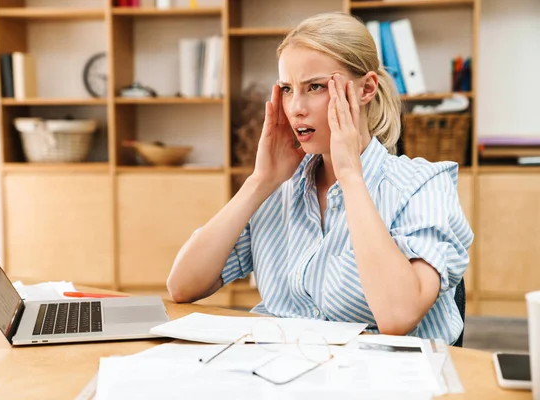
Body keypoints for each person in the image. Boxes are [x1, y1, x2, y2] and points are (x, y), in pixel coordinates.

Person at [167, 12, 473, 344]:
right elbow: (183, 286)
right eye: (287, 89)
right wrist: (259, 181)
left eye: (314, 87)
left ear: (366, 89)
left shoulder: (423, 186)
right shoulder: (278, 189)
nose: (296, 107)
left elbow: (397, 317)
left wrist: (350, 178)